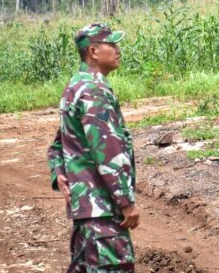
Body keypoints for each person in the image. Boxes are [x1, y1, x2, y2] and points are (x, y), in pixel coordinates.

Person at [47, 23, 139, 272]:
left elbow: (59, 142)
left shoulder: (75, 86)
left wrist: (58, 172)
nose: (118, 50)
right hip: (102, 213)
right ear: (94, 51)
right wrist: (125, 201)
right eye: (112, 44)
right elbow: (108, 153)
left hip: (86, 214)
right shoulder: (93, 91)